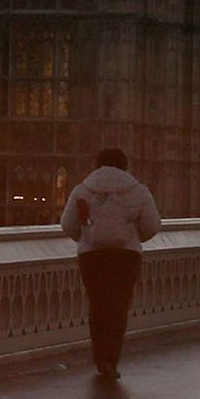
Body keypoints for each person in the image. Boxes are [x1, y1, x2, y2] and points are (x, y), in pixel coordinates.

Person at [62, 146, 164, 380]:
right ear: (125, 166)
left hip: (92, 256)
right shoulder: (138, 190)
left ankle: (99, 359)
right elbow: (152, 225)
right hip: (125, 256)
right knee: (118, 307)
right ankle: (111, 360)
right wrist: (133, 237)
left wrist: (87, 237)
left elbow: (68, 224)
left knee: (98, 306)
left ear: (97, 165)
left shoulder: (83, 190)